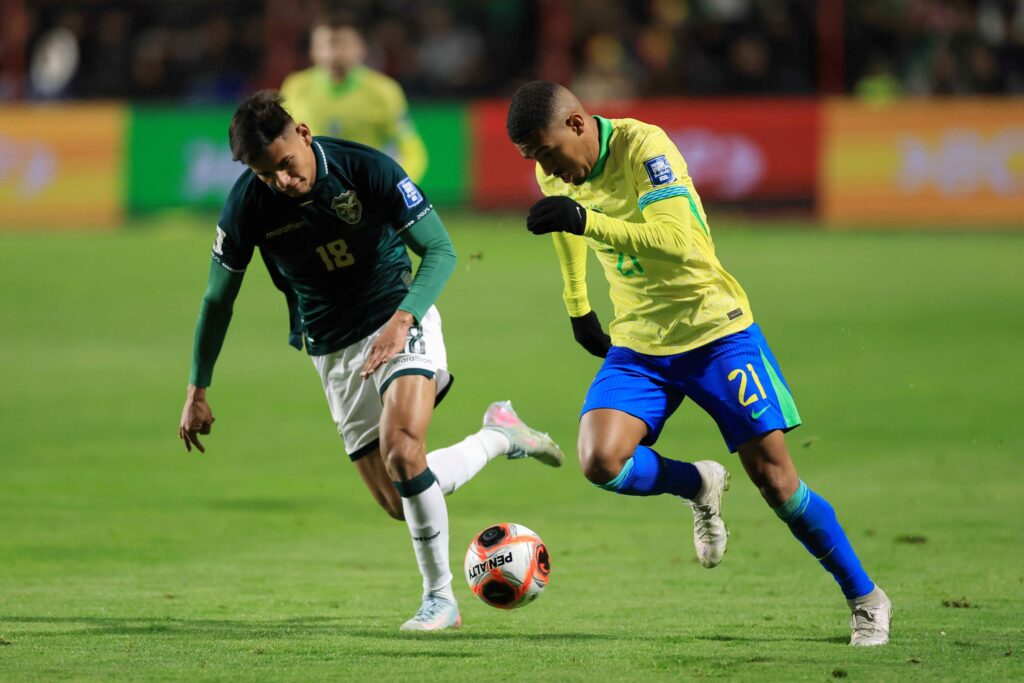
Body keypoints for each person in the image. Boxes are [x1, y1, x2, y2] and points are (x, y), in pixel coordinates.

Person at [504, 81, 891, 647]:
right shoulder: (556, 169)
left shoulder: (645, 149)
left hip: (715, 330)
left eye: (547, 151)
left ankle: (865, 598)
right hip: (640, 341)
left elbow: (678, 241)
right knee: (600, 458)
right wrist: (577, 304)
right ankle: (698, 483)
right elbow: (562, 224)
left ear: (578, 125)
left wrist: (586, 222)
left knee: (777, 482)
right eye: (532, 159)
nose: (545, 168)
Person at [178, 90, 563, 632]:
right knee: (400, 499)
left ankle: (440, 601)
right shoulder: (246, 206)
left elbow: (441, 250)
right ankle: (500, 435)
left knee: (405, 451)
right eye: (266, 175)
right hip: (332, 347)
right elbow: (218, 298)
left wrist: (404, 319)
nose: (282, 182)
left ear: (304, 134)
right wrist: (198, 388)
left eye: (286, 165)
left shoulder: (366, 168)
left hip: (398, 315)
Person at [280, 11, 427, 183]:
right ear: (313, 50)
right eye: (325, 45)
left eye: (342, 45)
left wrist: (395, 187)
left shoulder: (384, 91)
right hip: (314, 194)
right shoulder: (295, 87)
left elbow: (412, 150)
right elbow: (281, 145)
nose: (333, 54)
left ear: (361, 49)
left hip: (367, 192)